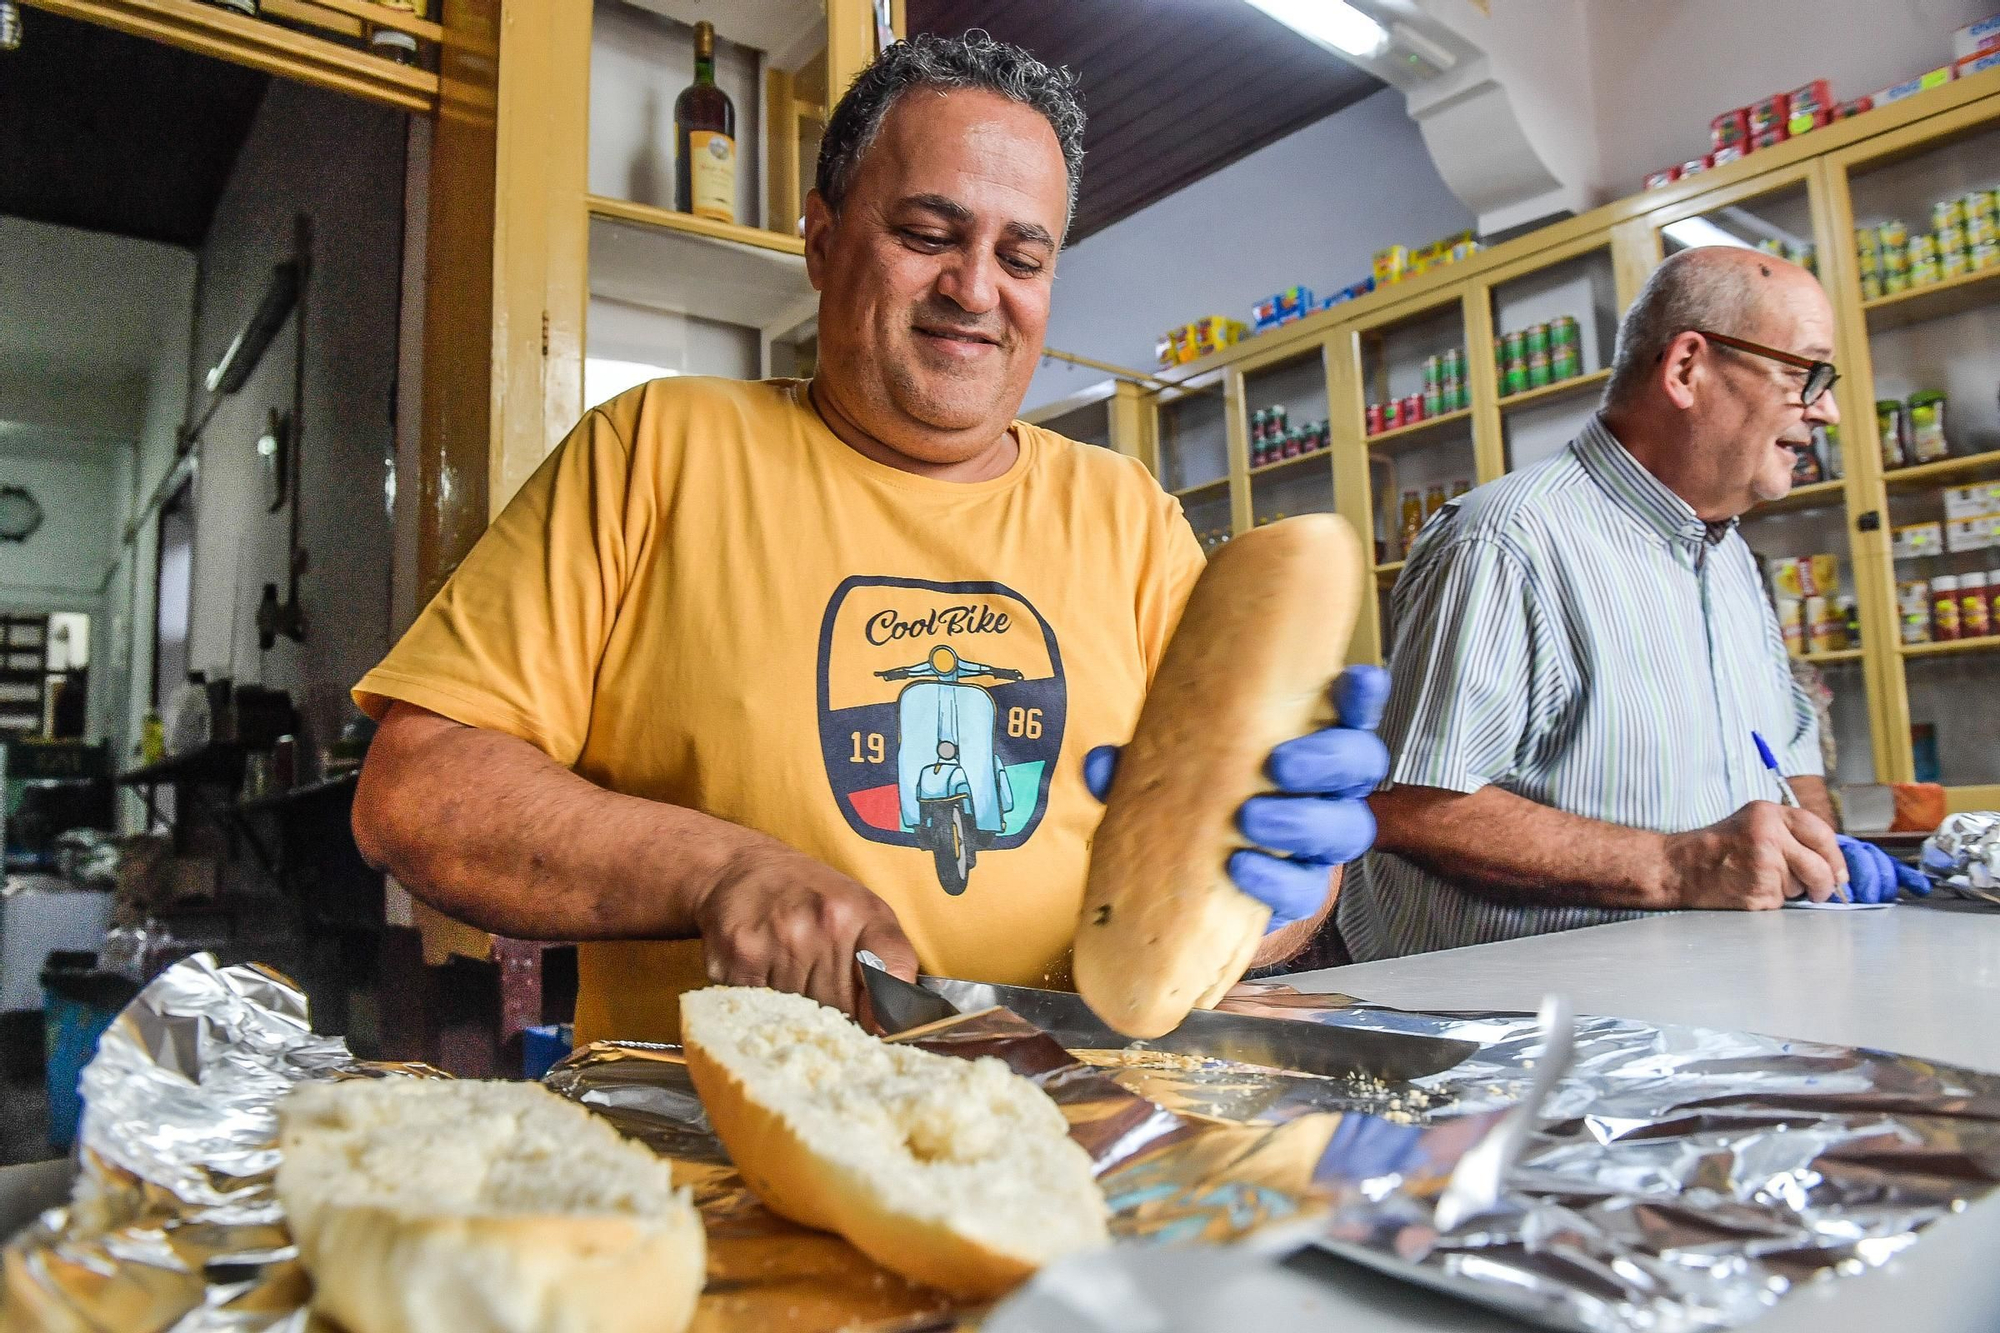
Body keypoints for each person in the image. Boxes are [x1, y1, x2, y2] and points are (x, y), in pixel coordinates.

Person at [349, 33, 1388, 1045]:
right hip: (722, 1143)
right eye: (928, 235)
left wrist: (1282, 886)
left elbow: (1246, 897)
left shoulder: (1128, 515)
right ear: (820, 237)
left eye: (1020, 255)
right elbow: (422, 789)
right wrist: (721, 872)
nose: (974, 289)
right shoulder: (657, 450)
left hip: (1078, 1125)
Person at [1340, 245, 1927, 962]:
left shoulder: (1732, 556)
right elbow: (1413, 808)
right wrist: (1676, 866)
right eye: (1805, 373)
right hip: (1520, 1034)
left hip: (1713, 1008)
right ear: (1687, 368)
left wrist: (1820, 855)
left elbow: (1789, 756)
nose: (1827, 409)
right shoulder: (1505, 541)